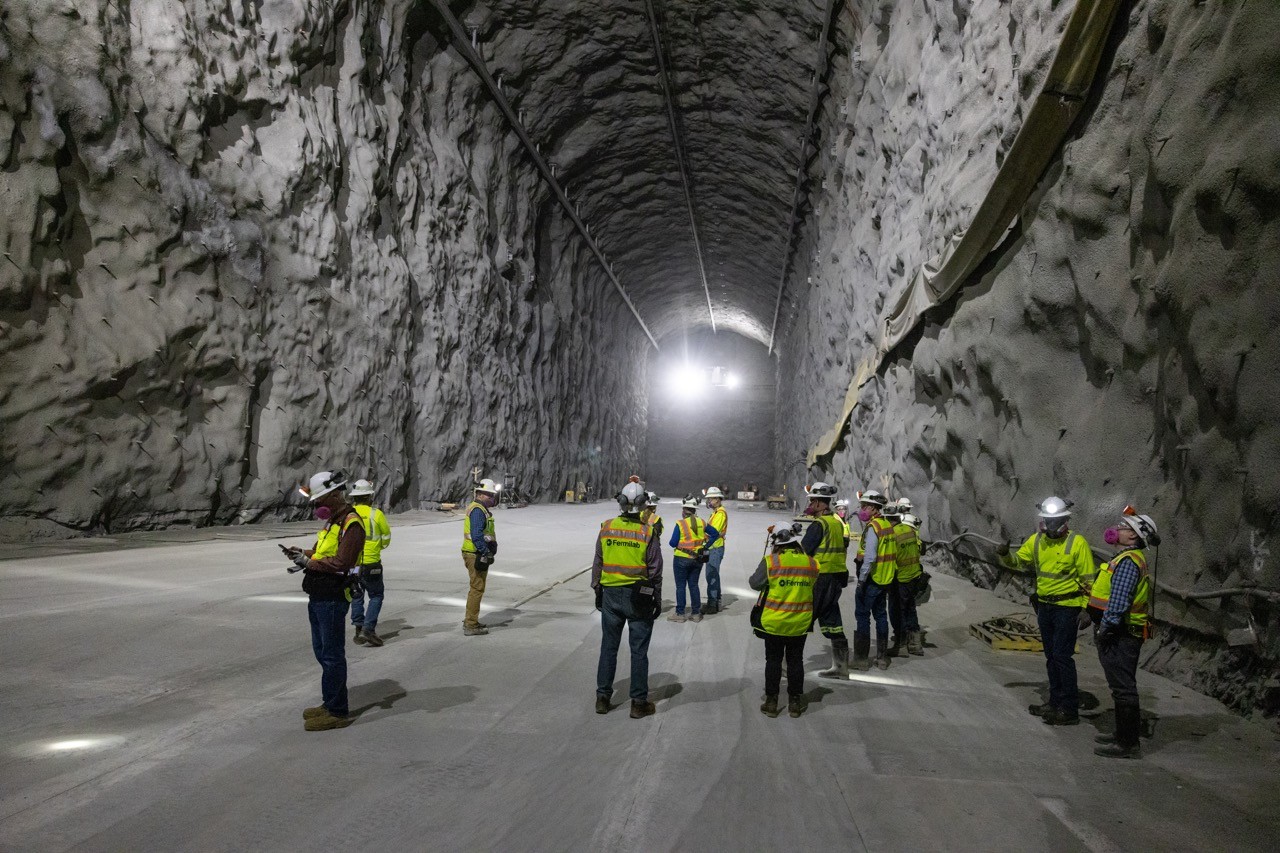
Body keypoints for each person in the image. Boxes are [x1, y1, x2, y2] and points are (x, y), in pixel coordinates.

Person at [998, 496, 1096, 726]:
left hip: (1067, 608)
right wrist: (1004, 554)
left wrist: (1086, 609)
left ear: (1064, 519)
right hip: (1045, 607)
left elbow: (1088, 579)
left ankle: (1069, 709)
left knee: (1062, 657)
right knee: (1051, 657)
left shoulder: (1077, 543)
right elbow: (1018, 563)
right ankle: (1054, 703)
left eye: (1055, 521)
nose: (1050, 525)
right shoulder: (1036, 541)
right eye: (1047, 521)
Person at [282, 470, 366, 732]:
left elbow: (342, 562)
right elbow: (324, 552)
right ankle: (330, 702)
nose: (317, 506)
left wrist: (310, 563)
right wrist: (303, 553)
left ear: (334, 494)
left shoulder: (351, 523)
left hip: (332, 596)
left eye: (320, 501)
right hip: (319, 594)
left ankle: (337, 711)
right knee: (322, 652)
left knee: (331, 656)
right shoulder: (333, 522)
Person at [1088, 507, 1160, 758]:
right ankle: (1122, 735)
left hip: (1121, 634)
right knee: (1120, 686)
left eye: (1123, 526)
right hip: (1123, 632)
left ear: (1133, 536)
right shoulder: (1125, 558)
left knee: (1123, 688)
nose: (1117, 528)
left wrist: (1106, 628)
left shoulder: (1129, 562)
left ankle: (1128, 744)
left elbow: (1119, 601)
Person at [593, 481, 663, 718]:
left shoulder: (607, 527)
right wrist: (657, 598)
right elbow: (655, 570)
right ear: (644, 505)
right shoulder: (647, 531)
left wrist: (597, 590)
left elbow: (598, 562)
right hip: (638, 597)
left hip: (611, 595)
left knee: (608, 647)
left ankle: (602, 698)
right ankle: (638, 703)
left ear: (621, 503)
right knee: (639, 651)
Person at [749, 521, 820, 718]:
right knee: (795, 660)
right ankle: (795, 703)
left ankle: (772, 702)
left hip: (775, 622)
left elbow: (755, 583)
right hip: (801, 622)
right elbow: (813, 584)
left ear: (777, 542)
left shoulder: (772, 561)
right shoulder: (811, 562)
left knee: (773, 660)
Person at [797, 482, 850, 679]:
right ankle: (841, 667)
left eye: (812, 501)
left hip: (820, 579)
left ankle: (791, 665)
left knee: (802, 619)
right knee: (832, 619)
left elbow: (803, 552)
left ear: (820, 504)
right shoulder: (838, 523)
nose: (810, 505)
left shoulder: (818, 526)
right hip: (836, 579)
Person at [853, 489, 896, 670]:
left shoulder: (874, 528)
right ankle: (882, 658)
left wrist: (862, 580)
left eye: (864, 506)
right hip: (885, 579)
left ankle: (861, 660)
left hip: (872, 579)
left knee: (863, 616)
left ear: (872, 508)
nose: (861, 509)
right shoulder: (887, 525)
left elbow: (870, 557)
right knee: (881, 616)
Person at [348, 479, 392, 647]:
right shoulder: (376, 514)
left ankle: (358, 629)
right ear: (369, 497)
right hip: (372, 562)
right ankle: (369, 628)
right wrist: (378, 546)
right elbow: (386, 537)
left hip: (353, 564)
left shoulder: (349, 514)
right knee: (376, 595)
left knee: (357, 595)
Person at [461, 478, 501, 636]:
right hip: (475, 553)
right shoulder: (478, 510)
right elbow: (477, 535)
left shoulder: (480, 509)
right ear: (483, 494)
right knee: (477, 588)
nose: (493, 499)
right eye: (491, 496)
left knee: (476, 588)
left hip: (474, 552)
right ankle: (471, 624)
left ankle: (470, 620)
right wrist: (486, 551)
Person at [885, 500, 923, 657]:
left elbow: (890, 560)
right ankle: (915, 644)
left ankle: (900, 646)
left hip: (900, 579)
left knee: (897, 611)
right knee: (910, 609)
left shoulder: (892, 534)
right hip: (914, 576)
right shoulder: (909, 530)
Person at [668, 498, 715, 622]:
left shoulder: (681, 523)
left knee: (681, 586)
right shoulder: (702, 522)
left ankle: (680, 614)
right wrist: (705, 546)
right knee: (694, 585)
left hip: (681, 559)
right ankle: (695, 613)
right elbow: (715, 534)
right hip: (698, 559)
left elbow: (672, 543)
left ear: (684, 510)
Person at [702, 486, 729, 614]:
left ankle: (712, 604)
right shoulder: (716, 512)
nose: (708, 502)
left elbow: (713, 532)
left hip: (715, 548)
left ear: (718, 499)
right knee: (713, 575)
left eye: (710, 499)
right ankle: (716, 601)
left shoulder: (720, 514)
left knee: (711, 575)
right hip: (714, 547)